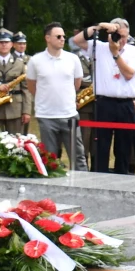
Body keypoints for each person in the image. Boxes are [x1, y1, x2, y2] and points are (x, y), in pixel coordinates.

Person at [71, 19, 135, 173]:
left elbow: (129, 74)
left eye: (124, 36)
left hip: (125, 103)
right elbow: (77, 40)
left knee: (124, 146)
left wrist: (115, 53)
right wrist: (98, 27)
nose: (122, 40)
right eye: (118, 36)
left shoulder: (133, 51)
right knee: (101, 145)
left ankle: (122, 176)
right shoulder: (99, 47)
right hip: (104, 103)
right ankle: (100, 176)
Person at [26, 22, 86, 170]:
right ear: (47, 38)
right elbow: (32, 86)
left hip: (69, 114)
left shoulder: (72, 59)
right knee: (49, 157)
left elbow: (76, 83)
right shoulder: (36, 60)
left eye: (64, 36)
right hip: (46, 116)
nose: (62, 39)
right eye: (58, 36)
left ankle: (83, 184)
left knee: (78, 156)